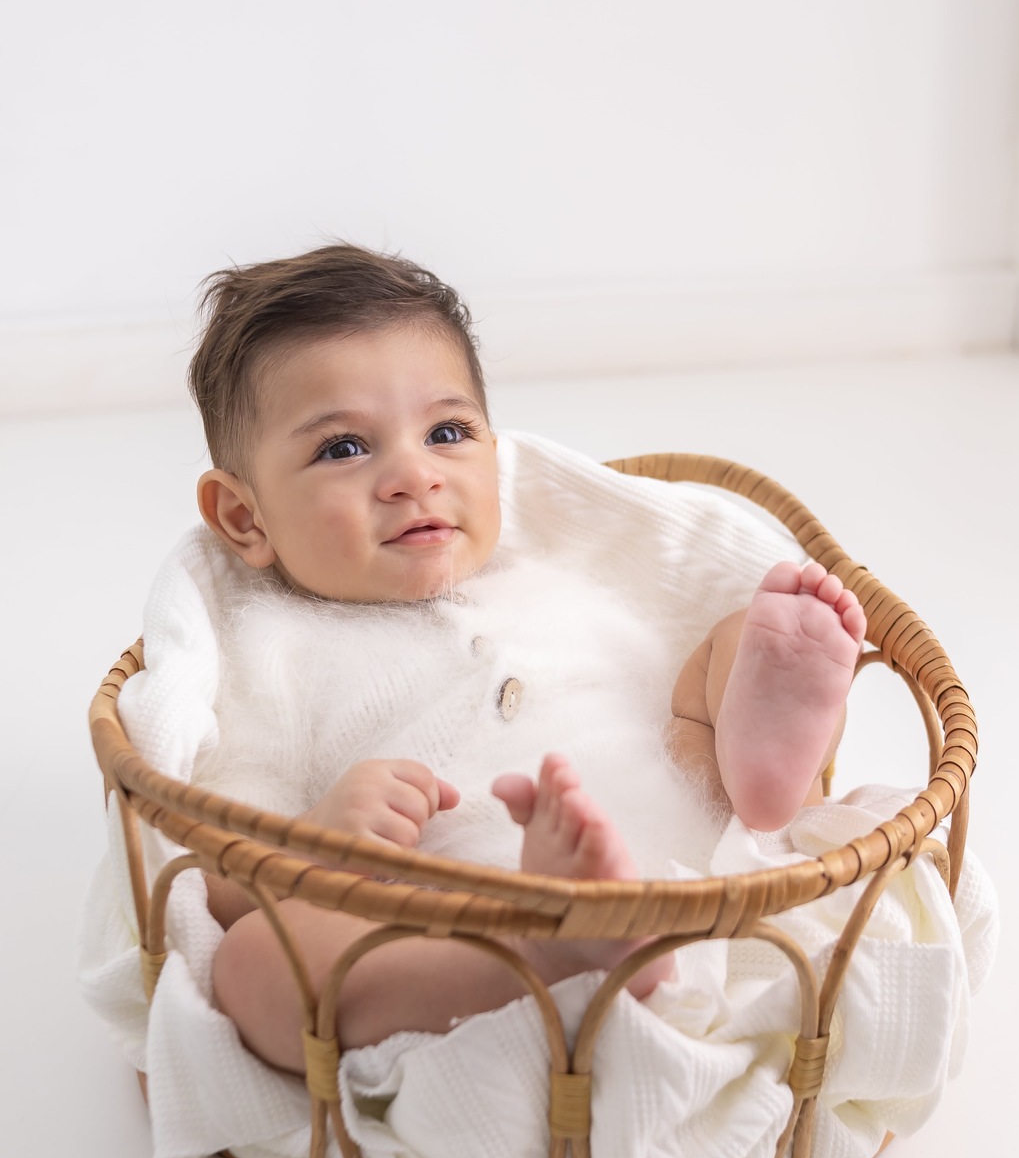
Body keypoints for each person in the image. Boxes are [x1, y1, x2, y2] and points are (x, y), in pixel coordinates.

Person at [186, 245, 866, 1071]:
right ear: (244, 518)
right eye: (343, 449)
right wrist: (318, 843)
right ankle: (542, 960)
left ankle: (761, 780)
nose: (414, 476)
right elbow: (212, 861)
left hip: (685, 825)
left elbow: (657, 685)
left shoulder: (551, 565)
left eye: (446, 433)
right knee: (257, 967)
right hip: (453, 911)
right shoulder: (267, 645)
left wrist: (728, 675)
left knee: (719, 653)